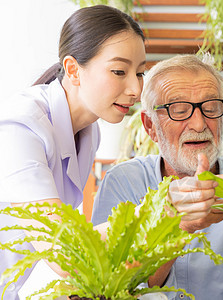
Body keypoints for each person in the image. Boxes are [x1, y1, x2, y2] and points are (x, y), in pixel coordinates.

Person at [91, 54, 223, 300]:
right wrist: (177, 226)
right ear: (150, 126)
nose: (198, 124)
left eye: (210, 108)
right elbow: (108, 290)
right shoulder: (123, 183)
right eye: (179, 110)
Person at [0, 5, 147, 299]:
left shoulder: (89, 132)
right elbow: (64, 248)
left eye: (140, 73)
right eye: (119, 71)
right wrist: (158, 210)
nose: (135, 89)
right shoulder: (20, 125)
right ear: (72, 69)